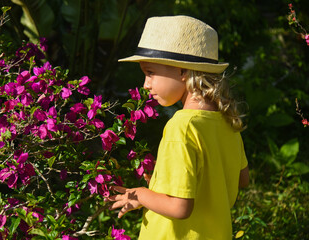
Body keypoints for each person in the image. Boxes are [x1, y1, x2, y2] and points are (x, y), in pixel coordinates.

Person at [105, 15, 249, 240]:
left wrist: (142, 195)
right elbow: (242, 179)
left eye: (150, 72)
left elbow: (180, 208)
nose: (146, 84)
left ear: (183, 71)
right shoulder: (226, 121)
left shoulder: (181, 126)